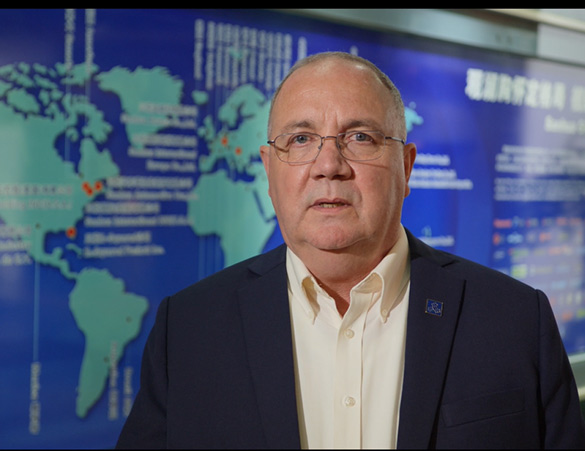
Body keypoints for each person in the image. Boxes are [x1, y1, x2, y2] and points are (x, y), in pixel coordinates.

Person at [116, 51, 585, 449]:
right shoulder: (189, 329)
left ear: (406, 167)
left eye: (360, 137)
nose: (328, 165)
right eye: (301, 139)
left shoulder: (515, 320)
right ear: (269, 170)